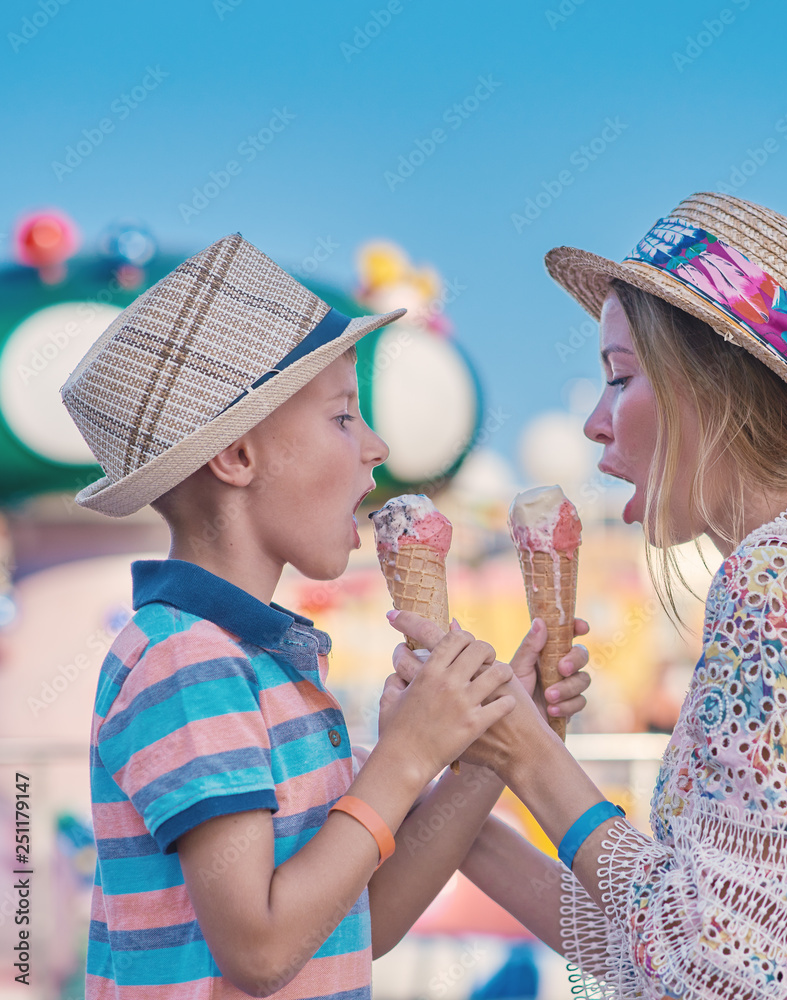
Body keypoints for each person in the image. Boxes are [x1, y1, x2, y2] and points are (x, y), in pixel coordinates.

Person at [390, 193, 787, 997]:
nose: (595, 425)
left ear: (707, 386)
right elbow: (653, 946)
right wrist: (461, 796)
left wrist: (528, 755)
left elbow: (721, 971)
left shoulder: (779, 576)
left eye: (619, 378)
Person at [61, 234, 592, 999]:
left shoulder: (266, 662)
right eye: (344, 417)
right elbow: (262, 946)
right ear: (238, 456)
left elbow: (359, 920)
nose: (376, 447)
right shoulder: (186, 659)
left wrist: (495, 738)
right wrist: (405, 756)